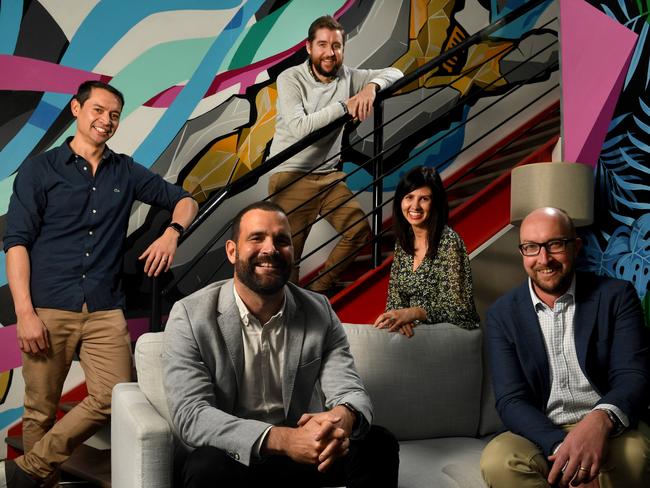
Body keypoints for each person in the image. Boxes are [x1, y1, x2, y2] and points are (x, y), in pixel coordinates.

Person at [1, 80, 198, 487]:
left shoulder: (125, 170)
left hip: (106, 308)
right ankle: (42, 481)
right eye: (98, 110)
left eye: (113, 115)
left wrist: (172, 232)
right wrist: (25, 313)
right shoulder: (40, 170)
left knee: (116, 397)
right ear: (77, 109)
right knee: (39, 411)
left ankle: (29, 472)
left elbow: (186, 200)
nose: (106, 120)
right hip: (49, 305)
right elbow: (16, 242)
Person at [162, 201, 399, 487]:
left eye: (282, 240)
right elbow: (192, 415)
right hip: (234, 455)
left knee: (377, 443)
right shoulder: (189, 315)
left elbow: (349, 388)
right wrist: (284, 440)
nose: (271, 249)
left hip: (306, 452)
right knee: (205, 466)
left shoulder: (319, 310)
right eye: (257, 237)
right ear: (232, 251)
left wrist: (340, 419)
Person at [480, 207, 650, 488]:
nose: (544, 259)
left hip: (609, 424)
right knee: (499, 462)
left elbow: (633, 376)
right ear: (522, 253)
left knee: (634, 456)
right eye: (532, 247)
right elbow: (511, 399)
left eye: (555, 244)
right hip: (540, 430)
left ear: (576, 246)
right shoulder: (501, 314)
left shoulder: (616, 296)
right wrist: (563, 449)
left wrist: (600, 420)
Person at [268, 14, 403, 295]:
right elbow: (301, 127)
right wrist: (347, 105)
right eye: (322, 45)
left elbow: (396, 73)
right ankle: (291, 315)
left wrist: (370, 87)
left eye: (337, 46)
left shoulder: (349, 77)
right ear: (309, 47)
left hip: (328, 177)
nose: (330, 53)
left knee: (358, 231)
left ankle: (318, 292)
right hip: (291, 175)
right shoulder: (290, 78)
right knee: (288, 257)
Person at [373, 166, 479, 337]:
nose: (415, 206)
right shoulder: (403, 242)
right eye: (409, 197)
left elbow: (459, 310)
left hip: (447, 335)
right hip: (414, 334)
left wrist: (414, 313)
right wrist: (399, 319)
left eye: (424, 199)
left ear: (435, 203)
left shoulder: (449, 241)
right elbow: (395, 299)